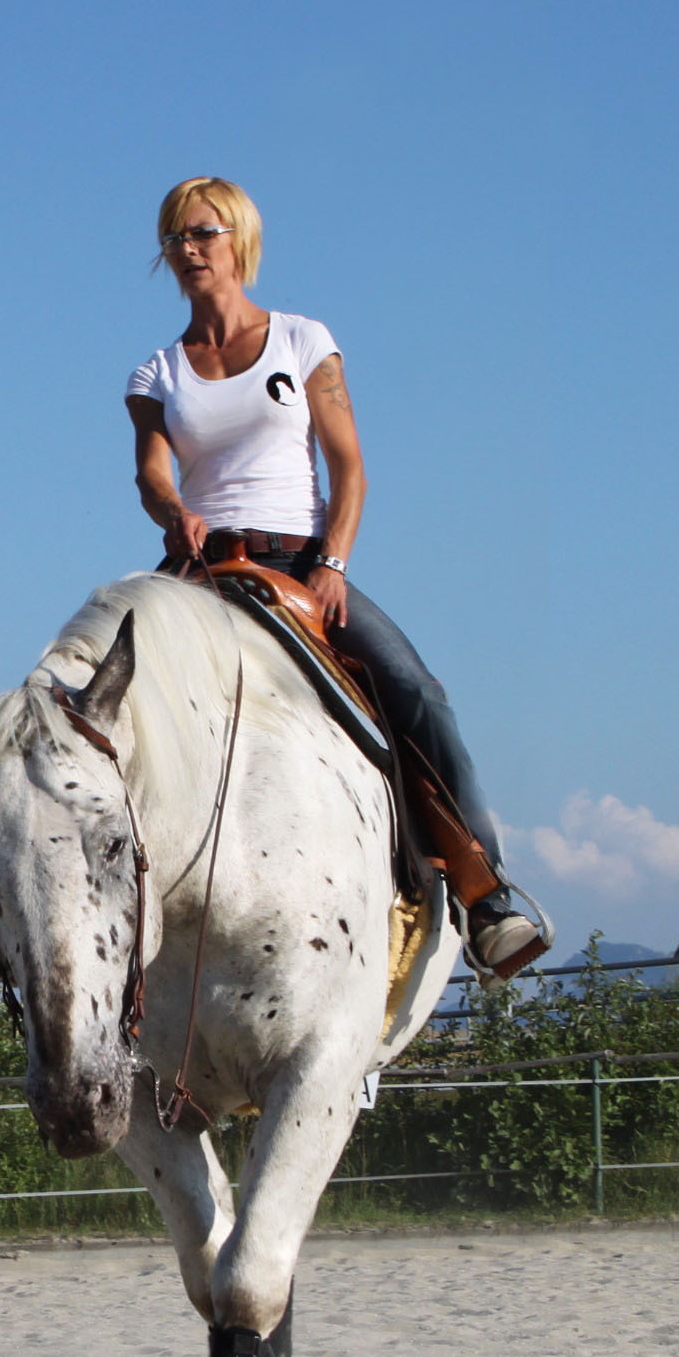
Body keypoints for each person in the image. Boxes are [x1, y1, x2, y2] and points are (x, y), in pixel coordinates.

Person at [125, 175, 551, 983]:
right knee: (89, 696)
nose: (186, 250)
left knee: (416, 691)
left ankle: (485, 893)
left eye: (202, 234)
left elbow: (349, 467)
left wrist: (332, 563)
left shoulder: (301, 339)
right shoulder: (156, 371)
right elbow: (150, 472)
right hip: (198, 565)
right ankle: (18, 916)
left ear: (238, 241)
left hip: (296, 561)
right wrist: (171, 507)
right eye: (174, 238)